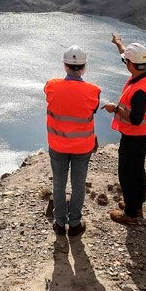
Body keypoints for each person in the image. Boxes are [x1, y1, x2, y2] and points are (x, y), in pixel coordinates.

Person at [44, 45, 101, 237]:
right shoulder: (93, 91)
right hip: (82, 147)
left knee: (59, 184)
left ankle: (60, 223)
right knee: (78, 184)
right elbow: (91, 110)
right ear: (84, 67)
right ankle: (75, 224)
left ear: (65, 66)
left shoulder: (51, 86)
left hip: (58, 145)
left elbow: (51, 99)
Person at [104, 33, 146, 225]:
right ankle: (136, 204)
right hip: (144, 135)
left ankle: (132, 214)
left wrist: (115, 109)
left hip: (135, 135)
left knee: (127, 173)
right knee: (137, 169)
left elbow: (135, 119)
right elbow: (127, 54)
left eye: (127, 62)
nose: (125, 63)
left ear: (131, 66)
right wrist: (118, 43)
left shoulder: (140, 91)